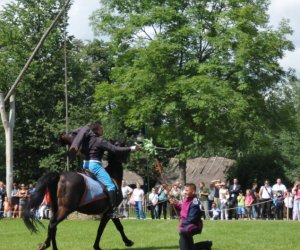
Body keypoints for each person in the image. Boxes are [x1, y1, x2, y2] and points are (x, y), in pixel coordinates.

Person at [66, 121, 138, 218]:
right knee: (111, 186)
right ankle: (112, 212)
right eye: (102, 128)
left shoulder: (87, 140)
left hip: (85, 165)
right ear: (98, 130)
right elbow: (116, 149)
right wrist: (132, 148)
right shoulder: (99, 141)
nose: (103, 130)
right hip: (94, 165)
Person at [170, 183, 212, 250]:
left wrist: (182, 223)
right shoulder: (186, 198)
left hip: (195, 224)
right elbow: (183, 208)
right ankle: (206, 244)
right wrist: (175, 204)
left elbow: (192, 218)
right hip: (186, 224)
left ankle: (206, 244)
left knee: (184, 231)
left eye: (187, 190)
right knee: (186, 246)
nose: (185, 192)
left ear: (193, 192)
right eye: (184, 190)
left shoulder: (194, 202)